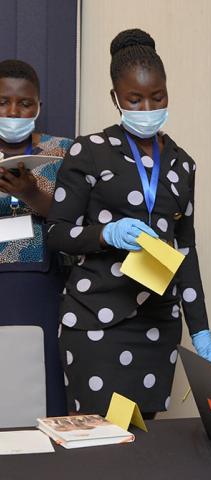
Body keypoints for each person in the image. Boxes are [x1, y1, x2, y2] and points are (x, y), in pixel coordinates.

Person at [47, 29, 211, 418]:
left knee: (145, 445)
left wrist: (200, 328)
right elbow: (56, 233)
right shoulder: (87, 151)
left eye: (157, 97)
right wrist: (106, 233)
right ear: (115, 99)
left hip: (158, 325)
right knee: (100, 445)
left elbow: (185, 251)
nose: (147, 107)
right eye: (134, 99)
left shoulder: (182, 164)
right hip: (95, 323)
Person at [0, 59, 72, 416]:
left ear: (38, 106)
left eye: (24, 103)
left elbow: (74, 220)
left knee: (44, 387)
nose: (13, 111)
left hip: (43, 288)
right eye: (3, 102)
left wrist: (31, 193)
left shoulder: (63, 152)